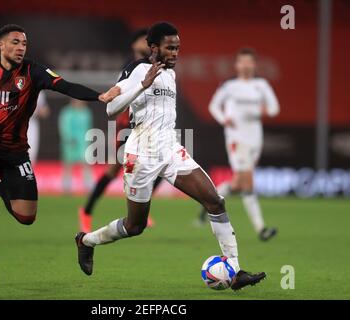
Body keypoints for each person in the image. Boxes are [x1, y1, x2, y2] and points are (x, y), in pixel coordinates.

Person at [74, 22, 266, 291]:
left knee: (215, 201)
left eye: (177, 48)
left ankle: (234, 269)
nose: (175, 53)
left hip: (170, 148)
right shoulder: (137, 70)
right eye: (170, 48)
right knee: (135, 225)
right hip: (141, 153)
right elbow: (111, 110)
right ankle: (86, 241)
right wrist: (142, 84)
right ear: (153, 48)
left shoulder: (171, 74)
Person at [0, 24, 120, 287]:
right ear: (2, 45)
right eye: (16, 42)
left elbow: (65, 86)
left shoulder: (33, 71)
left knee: (27, 217)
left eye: (24, 44)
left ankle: (2, 189)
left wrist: (99, 96)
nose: (21, 48)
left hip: (17, 152)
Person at [78, 28, 161, 232]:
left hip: (147, 126)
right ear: (134, 45)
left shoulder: (154, 67)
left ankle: (140, 209)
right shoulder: (130, 67)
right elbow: (118, 95)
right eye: (143, 39)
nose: (147, 42)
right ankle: (87, 210)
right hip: (127, 125)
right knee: (116, 170)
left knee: (158, 166)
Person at [197, 48, 279, 241]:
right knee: (247, 181)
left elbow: (275, 108)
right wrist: (224, 118)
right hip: (236, 138)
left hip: (254, 139)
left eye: (249, 62)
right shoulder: (229, 86)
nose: (245, 65)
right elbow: (213, 106)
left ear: (254, 65)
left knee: (238, 184)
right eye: (242, 62)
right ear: (236, 65)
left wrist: (260, 110)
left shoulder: (261, 85)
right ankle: (261, 229)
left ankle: (209, 201)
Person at [59, 98, 93, 192]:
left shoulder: (86, 112)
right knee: (68, 165)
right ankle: (66, 187)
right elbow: (64, 127)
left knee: (86, 164)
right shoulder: (67, 112)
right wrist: (69, 139)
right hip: (70, 143)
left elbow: (88, 127)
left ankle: (89, 187)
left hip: (83, 143)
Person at [27, 91, 50, 164]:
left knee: (31, 152)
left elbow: (45, 111)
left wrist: (38, 111)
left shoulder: (38, 91)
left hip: (31, 123)